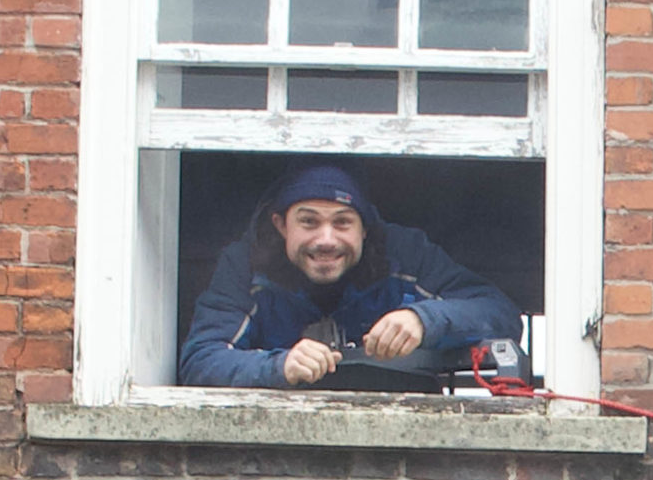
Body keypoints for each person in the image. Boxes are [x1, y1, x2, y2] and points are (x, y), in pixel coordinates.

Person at [179, 162, 522, 388]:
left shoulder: (405, 254)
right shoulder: (246, 265)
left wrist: (423, 320)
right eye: (309, 221)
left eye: (342, 222)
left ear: (365, 229)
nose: (326, 239)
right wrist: (278, 366)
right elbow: (198, 361)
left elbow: (501, 315)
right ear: (281, 225)